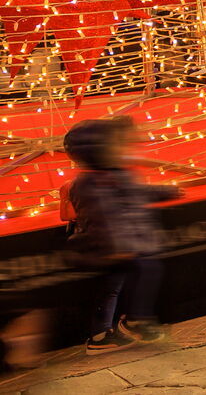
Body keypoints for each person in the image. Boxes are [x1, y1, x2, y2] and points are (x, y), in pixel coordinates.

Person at [63, 118, 178, 353]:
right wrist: (118, 247)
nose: (122, 150)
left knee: (117, 285)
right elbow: (103, 218)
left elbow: (136, 193)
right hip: (107, 248)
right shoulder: (89, 183)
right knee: (121, 283)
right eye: (114, 145)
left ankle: (110, 329)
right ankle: (117, 328)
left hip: (120, 245)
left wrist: (165, 191)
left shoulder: (112, 175)